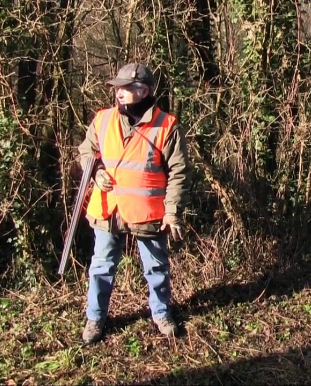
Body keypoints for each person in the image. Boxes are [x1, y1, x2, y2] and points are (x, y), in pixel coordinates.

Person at [77, 63, 192, 344]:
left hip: (148, 212)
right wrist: (96, 172)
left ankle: (161, 313)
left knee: (156, 267)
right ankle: (95, 318)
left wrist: (172, 211)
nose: (118, 93)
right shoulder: (103, 120)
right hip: (108, 208)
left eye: (125, 88)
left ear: (143, 90)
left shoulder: (167, 125)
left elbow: (179, 171)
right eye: (117, 87)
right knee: (101, 266)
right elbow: (85, 152)